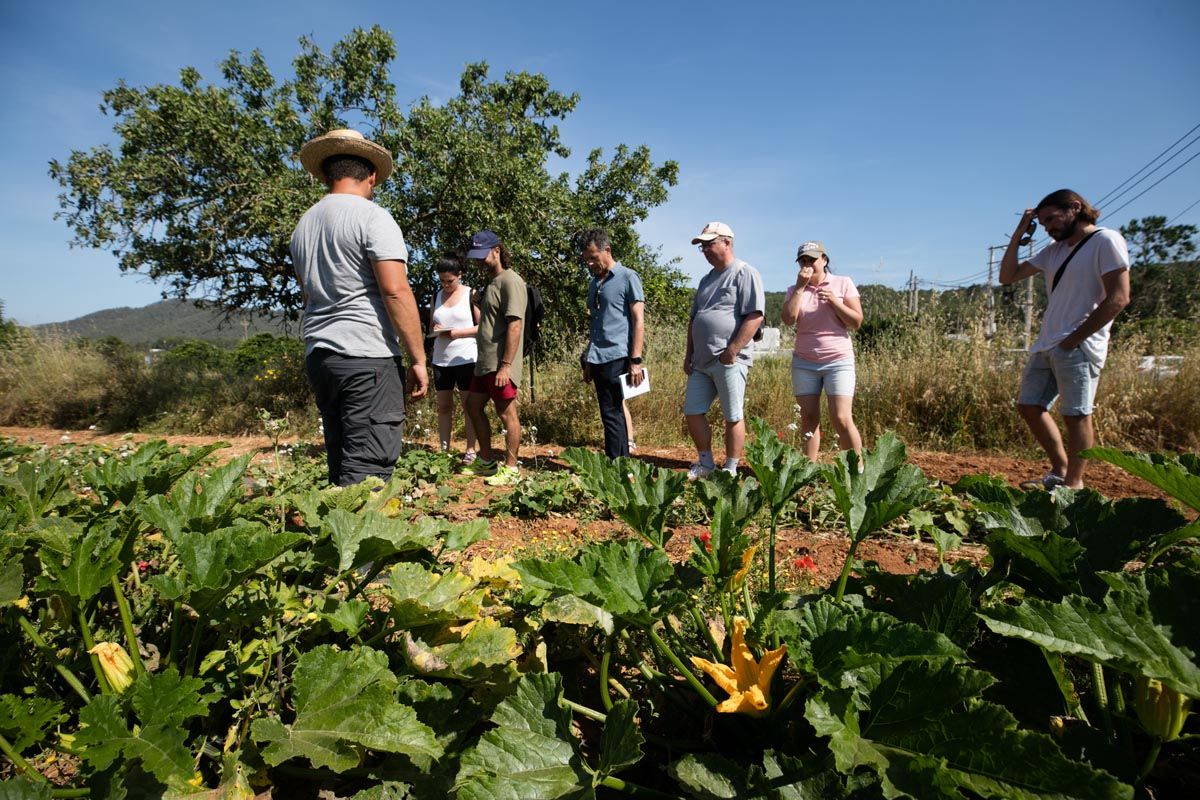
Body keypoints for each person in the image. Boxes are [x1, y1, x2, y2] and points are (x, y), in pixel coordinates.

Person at [291, 129, 428, 485]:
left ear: (326, 176)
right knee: (368, 468)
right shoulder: (372, 217)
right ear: (371, 177)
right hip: (365, 356)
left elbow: (308, 293)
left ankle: (331, 535)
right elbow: (395, 291)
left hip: (320, 355)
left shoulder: (304, 225)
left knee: (341, 457)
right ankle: (354, 536)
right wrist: (418, 359)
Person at [1000, 189, 1131, 490]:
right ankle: (1060, 470)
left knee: (1077, 415)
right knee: (1029, 405)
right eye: (1043, 223)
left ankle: (1073, 483)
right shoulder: (1054, 251)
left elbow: (1119, 297)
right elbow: (1007, 276)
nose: (1048, 228)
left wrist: (1074, 339)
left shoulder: (1105, 240)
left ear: (1075, 207)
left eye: (1052, 219)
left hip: (1079, 346)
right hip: (1048, 344)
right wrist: (1020, 233)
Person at [683, 221, 765, 478]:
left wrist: (733, 350)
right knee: (692, 410)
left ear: (727, 242)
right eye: (702, 246)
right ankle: (706, 463)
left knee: (732, 415)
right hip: (701, 360)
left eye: (709, 244)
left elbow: (755, 315)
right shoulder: (706, 280)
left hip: (729, 359)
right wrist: (689, 354)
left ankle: (730, 467)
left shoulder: (744, 272)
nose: (705, 250)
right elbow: (694, 319)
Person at [780, 241, 864, 461]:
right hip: (804, 362)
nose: (807, 264)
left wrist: (835, 302)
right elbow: (788, 320)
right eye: (803, 260)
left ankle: (857, 469)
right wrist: (800, 287)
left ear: (824, 260)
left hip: (838, 361)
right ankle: (808, 469)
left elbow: (856, 322)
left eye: (812, 259)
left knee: (841, 418)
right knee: (808, 417)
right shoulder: (794, 289)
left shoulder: (843, 283)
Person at [462, 230, 527, 485]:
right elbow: (490, 322)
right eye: (475, 257)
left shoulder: (511, 281)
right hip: (484, 362)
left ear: (497, 250)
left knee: (506, 412)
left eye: (483, 255)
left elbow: (515, 325)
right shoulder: (492, 283)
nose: (479, 261)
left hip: (501, 363)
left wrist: (506, 366)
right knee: (473, 406)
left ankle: (510, 468)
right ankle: (487, 461)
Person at [578, 229, 646, 459]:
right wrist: (588, 359)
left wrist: (635, 360)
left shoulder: (628, 277)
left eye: (593, 257)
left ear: (607, 250)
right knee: (608, 412)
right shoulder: (594, 283)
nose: (589, 263)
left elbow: (638, 321)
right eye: (586, 259)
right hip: (598, 356)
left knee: (612, 411)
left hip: (618, 354)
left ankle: (618, 464)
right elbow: (596, 323)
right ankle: (619, 463)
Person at [428, 254, 479, 462]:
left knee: (469, 405)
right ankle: (444, 450)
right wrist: (436, 329)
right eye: (442, 280)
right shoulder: (435, 296)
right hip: (441, 359)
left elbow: (483, 326)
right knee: (443, 406)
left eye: (450, 280)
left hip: (466, 357)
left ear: (460, 275)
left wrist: (460, 333)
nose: (446, 285)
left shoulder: (471, 294)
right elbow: (432, 325)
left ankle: (470, 450)